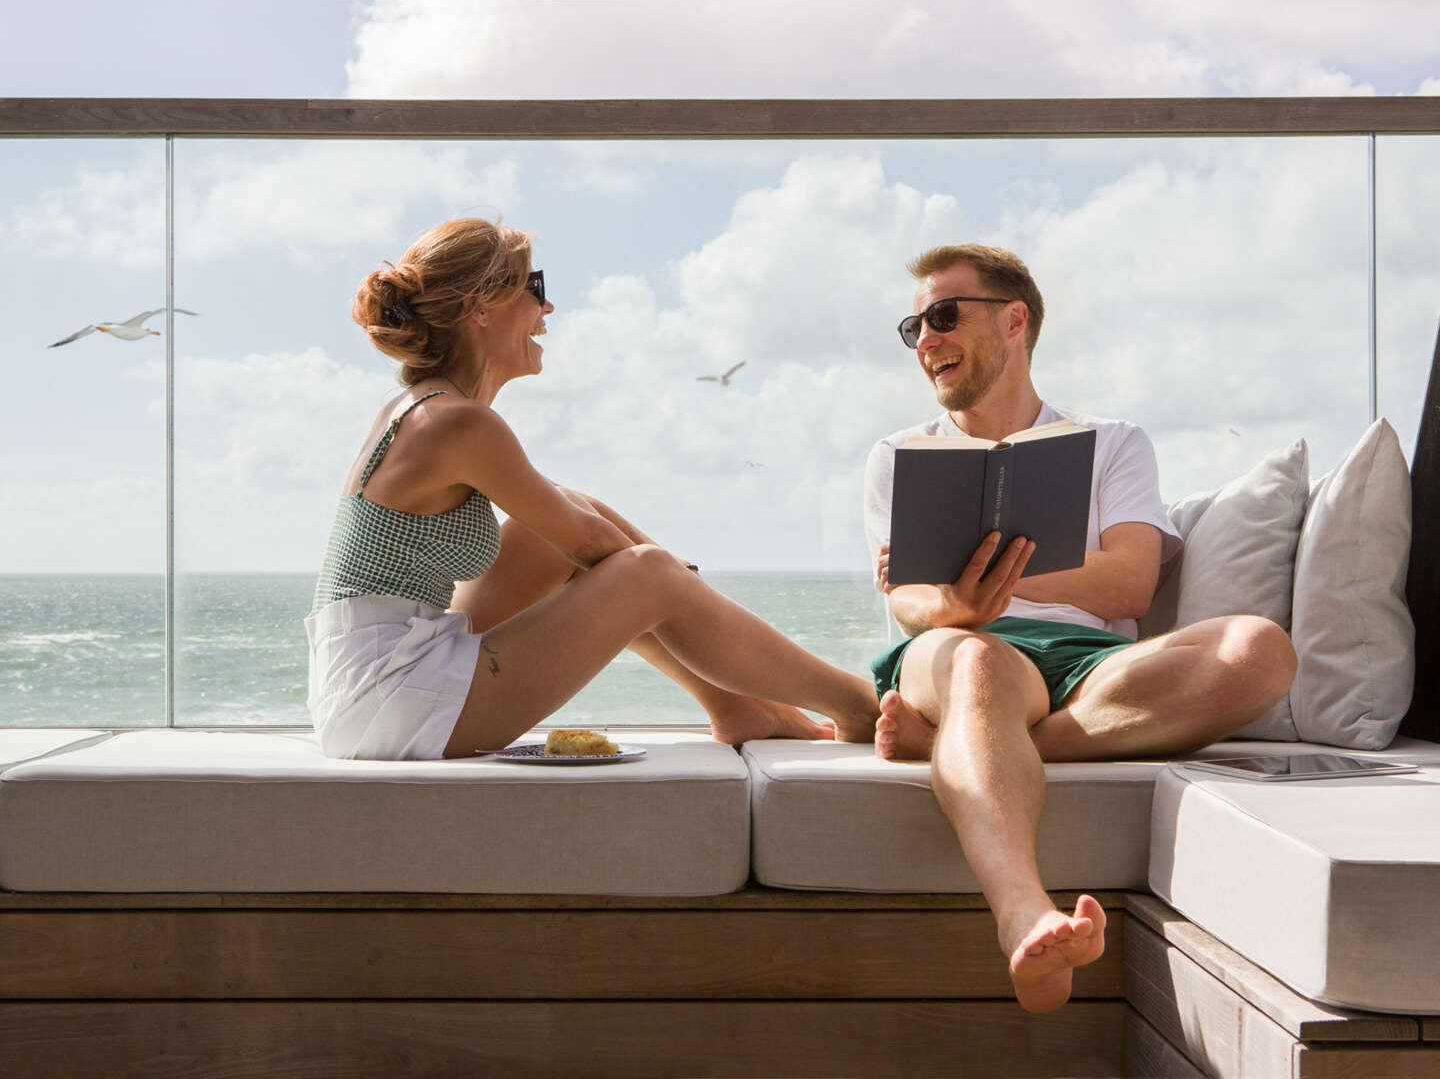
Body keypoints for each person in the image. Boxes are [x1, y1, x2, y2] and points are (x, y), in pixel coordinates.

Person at [861, 244, 1297, 1014]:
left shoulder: (1112, 442)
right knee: (977, 665)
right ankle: (1025, 917)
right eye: (914, 326)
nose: (925, 339)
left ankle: (958, 743)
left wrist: (979, 568)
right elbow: (910, 603)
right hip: (958, 646)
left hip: (1090, 666)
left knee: (1260, 649)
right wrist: (963, 605)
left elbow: (1128, 581)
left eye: (942, 315)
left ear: (1015, 321)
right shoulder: (900, 455)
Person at [306, 217, 880, 761]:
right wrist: (680, 588)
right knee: (646, 573)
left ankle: (736, 707)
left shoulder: (427, 410)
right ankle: (859, 704)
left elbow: (576, 526)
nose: (547, 306)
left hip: (372, 680)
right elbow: (594, 550)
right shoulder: (456, 421)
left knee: (562, 530)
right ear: (481, 307)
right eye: (535, 286)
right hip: (389, 699)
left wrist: (674, 586)